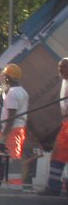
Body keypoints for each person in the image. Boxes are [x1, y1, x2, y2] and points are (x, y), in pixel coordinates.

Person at [38, 57, 68, 196]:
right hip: (66, 122)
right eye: (59, 67)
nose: (61, 70)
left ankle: (54, 186)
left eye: (64, 67)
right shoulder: (64, 82)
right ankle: (54, 186)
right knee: (58, 153)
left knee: (59, 152)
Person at [0, 63, 29, 184]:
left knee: (11, 157)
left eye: (5, 76)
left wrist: (4, 135)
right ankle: (13, 182)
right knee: (14, 155)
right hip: (20, 129)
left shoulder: (12, 93)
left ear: (8, 77)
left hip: (12, 130)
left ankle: (13, 183)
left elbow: (11, 116)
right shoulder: (23, 91)